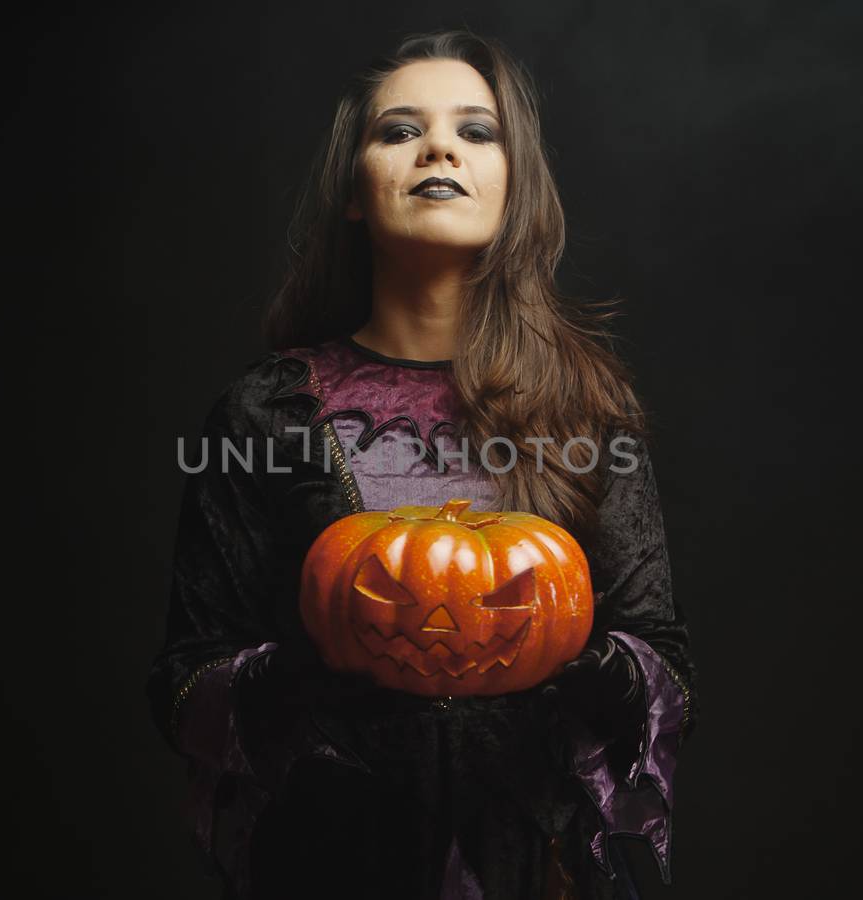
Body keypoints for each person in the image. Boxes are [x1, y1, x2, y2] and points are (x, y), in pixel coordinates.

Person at [147, 29, 698, 900]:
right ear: (354, 192)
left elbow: (665, 661)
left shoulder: (588, 410)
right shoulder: (266, 410)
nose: (439, 146)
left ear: (514, 185)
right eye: (399, 130)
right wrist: (305, 672)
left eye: (478, 132)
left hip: (538, 872)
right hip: (330, 866)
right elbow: (185, 685)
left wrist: (580, 669)